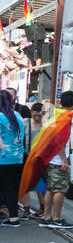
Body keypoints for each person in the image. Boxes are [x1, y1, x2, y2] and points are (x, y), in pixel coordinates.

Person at [39, 90, 73, 229]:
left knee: (50, 189)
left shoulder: (55, 115)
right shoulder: (65, 118)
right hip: (57, 160)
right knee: (59, 190)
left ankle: (46, 217)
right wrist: (64, 160)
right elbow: (59, 141)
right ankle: (55, 219)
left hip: (50, 159)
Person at [0, 89, 25, 226]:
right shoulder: (17, 115)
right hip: (16, 158)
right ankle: (14, 218)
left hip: (2, 158)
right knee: (10, 188)